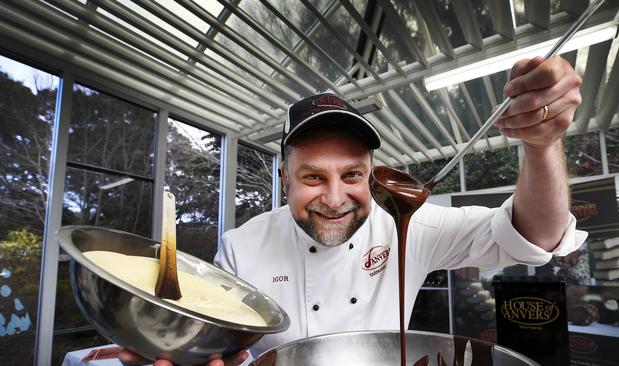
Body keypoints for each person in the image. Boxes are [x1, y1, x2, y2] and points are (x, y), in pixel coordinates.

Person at [120, 55, 586, 366]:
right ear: (285, 178)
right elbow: (217, 347)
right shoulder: (242, 248)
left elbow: (534, 236)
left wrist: (542, 146)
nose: (336, 197)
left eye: (352, 175)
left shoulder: (410, 223)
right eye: (312, 177)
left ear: (370, 173)